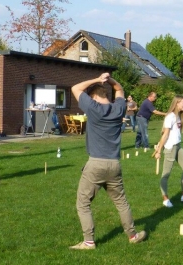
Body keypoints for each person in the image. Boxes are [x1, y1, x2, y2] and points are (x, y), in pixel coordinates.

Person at [69, 73, 146, 250]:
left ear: (93, 96)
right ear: (105, 94)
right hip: (114, 164)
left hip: (96, 164)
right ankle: (133, 235)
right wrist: (109, 79)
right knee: (121, 202)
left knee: (83, 203)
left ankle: (88, 241)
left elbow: (75, 88)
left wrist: (97, 78)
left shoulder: (92, 107)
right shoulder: (118, 108)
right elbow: (119, 89)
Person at [154, 95, 183, 208]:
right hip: (170, 148)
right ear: (177, 103)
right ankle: (165, 199)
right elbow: (165, 134)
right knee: (166, 174)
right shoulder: (170, 117)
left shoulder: (179, 115)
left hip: (178, 146)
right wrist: (159, 149)